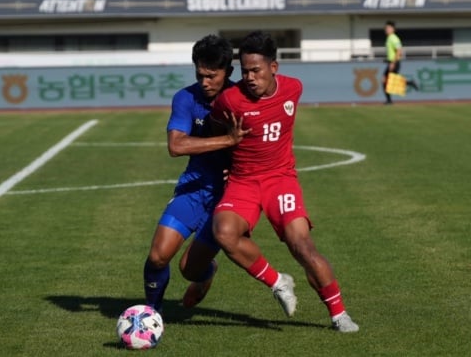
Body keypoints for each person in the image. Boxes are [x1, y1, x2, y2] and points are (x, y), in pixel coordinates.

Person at [210, 31, 359, 332]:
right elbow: (218, 134)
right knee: (224, 234)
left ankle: (339, 314)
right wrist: (224, 163)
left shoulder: (293, 89)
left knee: (302, 246)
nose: (250, 78)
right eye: (245, 71)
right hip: (243, 181)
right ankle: (278, 282)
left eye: (256, 70)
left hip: (281, 180)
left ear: (273, 68)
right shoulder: (229, 100)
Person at [143, 35, 250, 313]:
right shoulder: (186, 98)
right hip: (193, 188)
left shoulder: (242, 100)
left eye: (212, 76)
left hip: (228, 199)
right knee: (157, 257)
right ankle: (151, 313)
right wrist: (228, 141)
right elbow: (176, 145)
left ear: (228, 72)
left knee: (189, 270)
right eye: (200, 74)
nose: (205, 82)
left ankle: (206, 274)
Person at [382, 20, 418, 104]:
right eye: (386, 28)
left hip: (394, 63)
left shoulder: (393, 38)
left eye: (388, 28)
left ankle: (389, 100)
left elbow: (399, 51)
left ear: (393, 29)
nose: (386, 29)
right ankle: (389, 100)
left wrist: (393, 63)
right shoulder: (389, 38)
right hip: (391, 62)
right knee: (388, 81)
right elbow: (392, 52)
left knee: (387, 80)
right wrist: (387, 59)